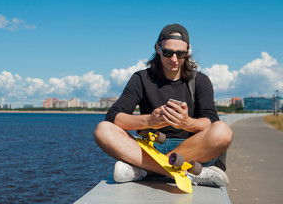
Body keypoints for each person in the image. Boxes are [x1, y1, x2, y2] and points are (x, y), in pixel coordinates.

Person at [94, 23, 233, 187]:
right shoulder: (141, 78)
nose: (174, 59)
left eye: (180, 54)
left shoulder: (200, 81)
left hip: (192, 149)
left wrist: (187, 123)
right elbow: (113, 116)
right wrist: (148, 121)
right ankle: (188, 172)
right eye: (168, 52)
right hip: (151, 149)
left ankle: (144, 170)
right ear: (158, 48)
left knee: (223, 131)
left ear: (187, 51)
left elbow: (210, 120)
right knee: (103, 129)